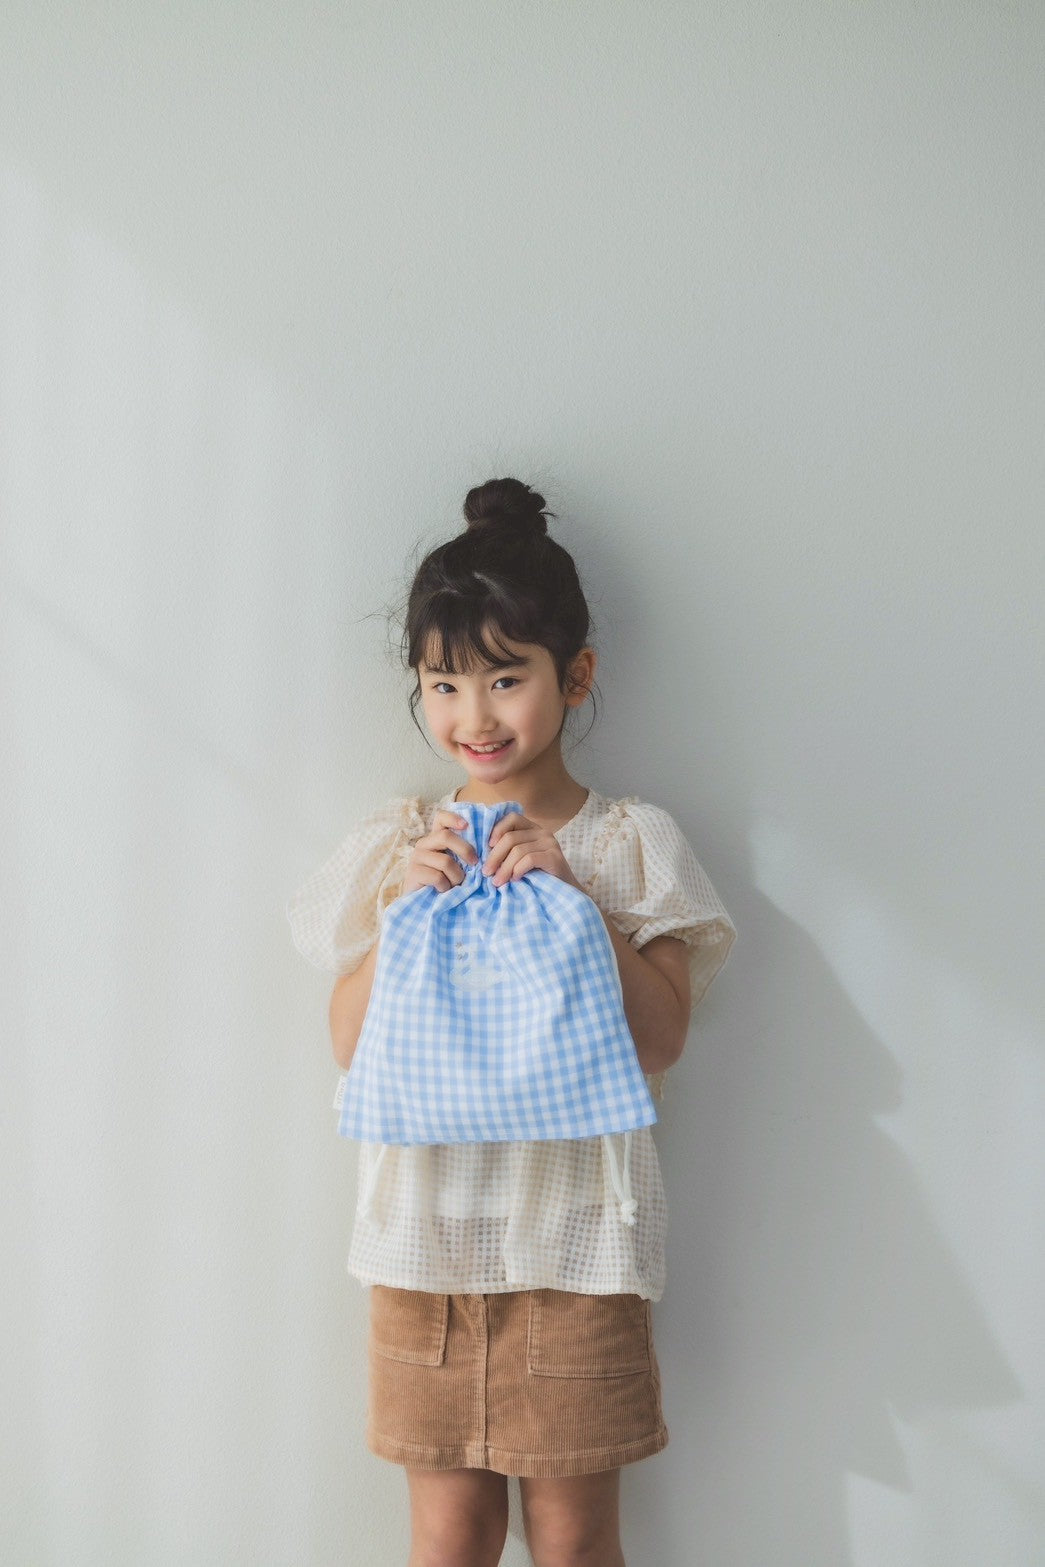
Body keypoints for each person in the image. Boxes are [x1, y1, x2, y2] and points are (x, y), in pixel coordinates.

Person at [288, 477, 737, 1567]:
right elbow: (350, 1047)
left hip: (578, 1253)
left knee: (575, 1544)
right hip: (425, 1251)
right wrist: (404, 912)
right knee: (449, 1540)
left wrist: (577, 905)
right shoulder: (402, 844)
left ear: (573, 676)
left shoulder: (624, 843)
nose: (475, 717)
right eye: (444, 683)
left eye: (505, 677)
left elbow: (662, 1040)